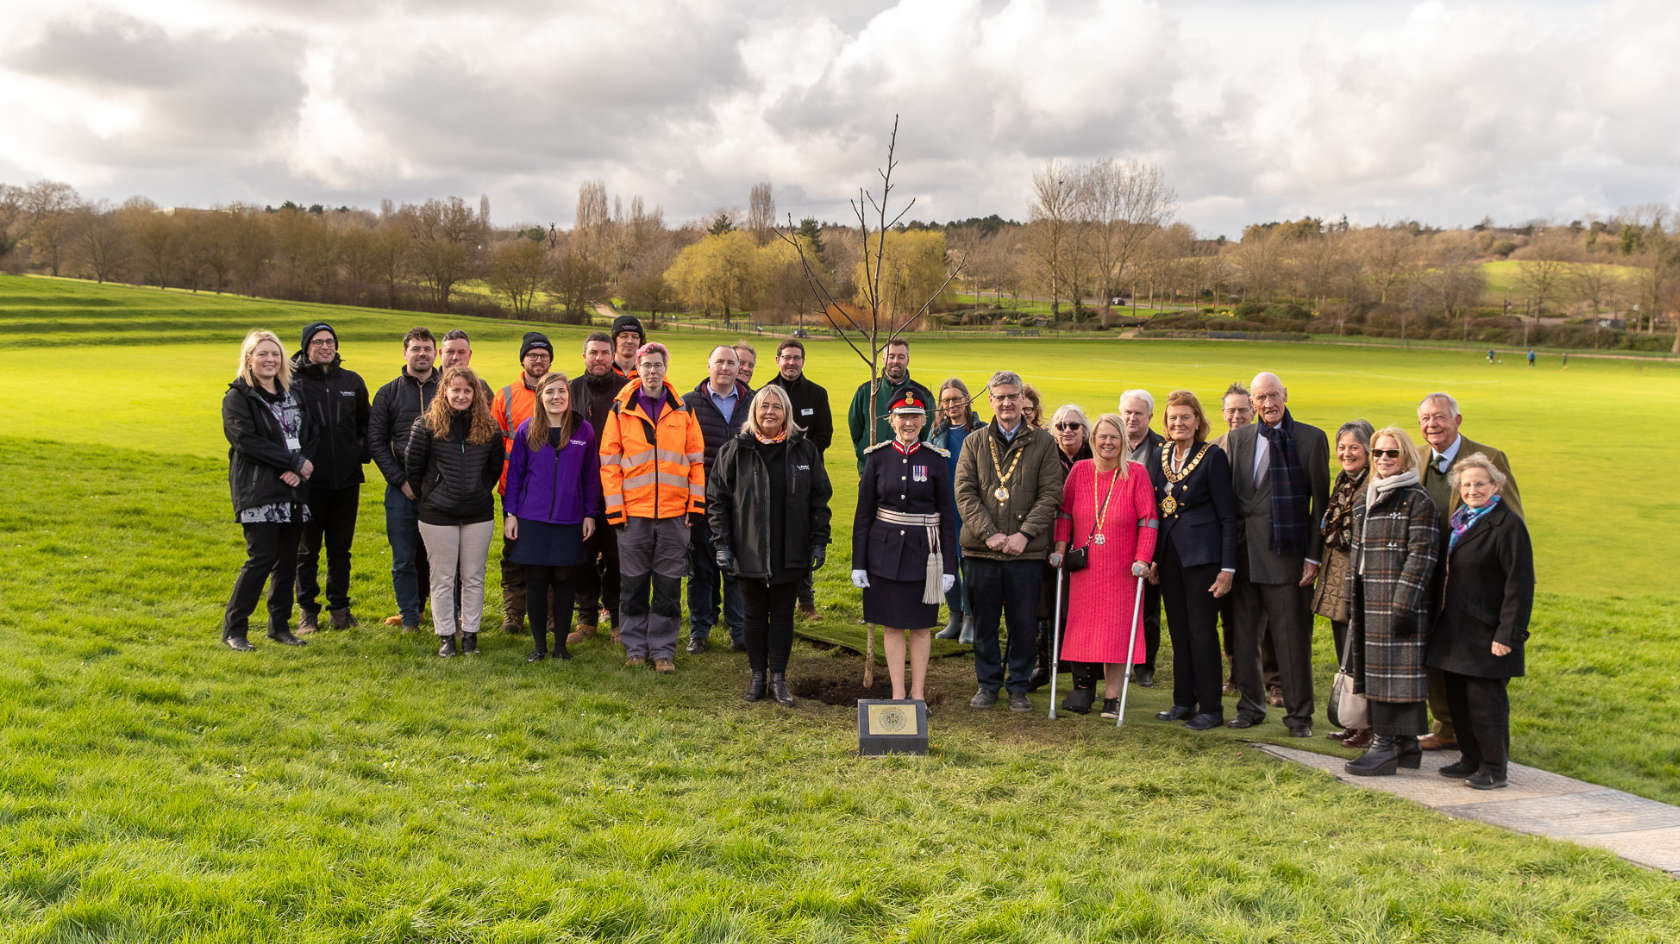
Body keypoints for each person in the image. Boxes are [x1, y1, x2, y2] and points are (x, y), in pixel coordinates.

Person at [1223, 371, 1330, 736]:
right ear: (1251, 403)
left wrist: (1313, 558)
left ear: (1285, 394)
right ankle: (1251, 707)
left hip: (1288, 559)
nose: (1268, 404)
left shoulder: (1311, 439)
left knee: (1291, 643)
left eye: (1273, 396)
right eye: (1260, 398)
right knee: (1244, 638)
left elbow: (1321, 507)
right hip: (1244, 557)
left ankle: (1299, 717)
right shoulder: (1237, 439)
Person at [712, 385, 833, 706]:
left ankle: (778, 677)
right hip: (748, 548)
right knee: (753, 614)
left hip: (789, 549)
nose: (770, 412)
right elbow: (718, 502)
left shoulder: (803, 451)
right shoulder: (735, 451)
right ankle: (757, 676)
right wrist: (723, 544)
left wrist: (819, 541)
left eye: (777, 407)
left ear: (786, 413)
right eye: (764, 406)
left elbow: (819, 499)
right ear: (754, 411)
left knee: (782, 615)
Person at [1416, 391, 1523, 751]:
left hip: (1473, 582)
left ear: (1457, 420)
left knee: (1475, 664)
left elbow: (1511, 524)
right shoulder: (1416, 457)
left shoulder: (1487, 459)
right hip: (1429, 575)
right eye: (1426, 419)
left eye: (1440, 417)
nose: (1433, 425)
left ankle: (1482, 743)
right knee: (1435, 654)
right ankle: (1446, 725)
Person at [954, 370, 1064, 712]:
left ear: (1022, 400)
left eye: (1012, 396)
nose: (1006, 402)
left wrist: (1023, 535)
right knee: (984, 623)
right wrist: (991, 534)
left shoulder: (1044, 443)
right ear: (990, 400)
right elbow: (965, 492)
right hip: (981, 550)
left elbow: (1051, 494)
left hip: (1025, 553)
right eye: (999, 396)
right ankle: (987, 684)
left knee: (1023, 623)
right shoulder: (974, 442)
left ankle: (1018, 685)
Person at [1426, 453, 1534, 790]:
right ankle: (1470, 758)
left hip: (1489, 631)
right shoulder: (1460, 519)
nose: (1472, 490)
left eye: (1480, 484)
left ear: (1495, 486)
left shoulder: (1508, 525)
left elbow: (1520, 584)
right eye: (1467, 484)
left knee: (1486, 704)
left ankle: (1494, 767)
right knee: (1458, 699)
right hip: (1455, 629)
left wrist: (1508, 634)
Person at [599, 342, 705, 674]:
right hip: (633, 516)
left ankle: (663, 651)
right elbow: (609, 464)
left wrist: (695, 506)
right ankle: (634, 648)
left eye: (658, 365)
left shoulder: (683, 409)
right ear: (638, 369)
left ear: (666, 369)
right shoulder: (620, 409)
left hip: (674, 516)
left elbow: (696, 461)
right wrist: (616, 510)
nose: (652, 371)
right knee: (633, 584)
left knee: (668, 586)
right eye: (647, 366)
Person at [1343, 427, 1439, 775]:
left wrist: (1403, 604)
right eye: (1378, 453)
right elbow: (1357, 555)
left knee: (1395, 675)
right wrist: (1350, 599)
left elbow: (1421, 557)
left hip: (1397, 603)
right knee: (1378, 673)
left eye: (1391, 453)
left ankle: (1384, 744)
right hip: (1368, 598)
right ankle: (1406, 746)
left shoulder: (1417, 499)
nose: (1383, 459)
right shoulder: (1366, 497)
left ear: (1406, 457)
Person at [1048, 414, 1158, 719]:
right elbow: (1064, 514)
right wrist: (1059, 547)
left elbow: (1148, 519)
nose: (1107, 442)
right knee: (1085, 630)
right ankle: (1082, 691)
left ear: (1123, 441)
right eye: (1102, 436)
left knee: (1116, 633)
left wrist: (1143, 558)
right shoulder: (1081, 471)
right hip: (1086, 568)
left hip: (1122, 568)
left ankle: (1113, 697)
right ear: (1092, 439)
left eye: (1114, 437)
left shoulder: (1135, 474)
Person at [852, 390, 957, 705]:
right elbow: (863, 515)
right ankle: (898, 695)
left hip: (924, 556)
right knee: (892, 626)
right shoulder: (877, 458)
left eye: (914, 417)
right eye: (902, 416)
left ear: (924, 420)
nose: (908, 423)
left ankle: (918, 696)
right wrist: (859, 562)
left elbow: (947, 517)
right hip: (882, 555)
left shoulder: (935, 460)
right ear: (891, 420)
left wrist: (950, 566)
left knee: (922, 627)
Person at [1145, 392, 1236, 730]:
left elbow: (1228, 516)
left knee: (1202, 632)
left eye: (1185, 417)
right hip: (1169, 557)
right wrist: (1153, 558)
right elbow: (1155, 511)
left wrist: (1228, 568)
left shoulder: (1212, 457)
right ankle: (1183, 701)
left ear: (1198, 420)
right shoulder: (1160, 453)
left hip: (1203, 559)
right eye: (1172, 418)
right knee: (1179, 632)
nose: (1178, 424)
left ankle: (1211, 708)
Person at [221, 329, 315, 651]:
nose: (270, 359)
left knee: (288, 561)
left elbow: (310, 433)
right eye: (262, 353)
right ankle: (235, 630)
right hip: (259, 489)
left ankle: (279, 627)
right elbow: (245, 441)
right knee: (261, 558)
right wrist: (290, 463)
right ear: (249, 359)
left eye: (275, 354)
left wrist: (300, 466)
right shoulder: (238, 396)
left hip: (293, 491)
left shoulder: (293, 393)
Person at [405, 366, 505, 657]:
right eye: (456, 390)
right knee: (442, 578)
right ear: (445, 391)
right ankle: (446, 636)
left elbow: (494, 469)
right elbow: (414, 468)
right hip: (437, 515)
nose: (461, 396)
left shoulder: (489, 429)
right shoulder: (426, 426)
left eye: (467, 390)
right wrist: (432, 495)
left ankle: (471, 634)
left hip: (477, 513)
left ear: (475, 394)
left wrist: (477, 489)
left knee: (473, 576)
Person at [505, 372, 601, 662]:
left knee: (564, 580)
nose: (556, 397)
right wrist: (511, 514)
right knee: (535, 580)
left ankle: (560, 645)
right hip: (532, 518)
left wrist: (590, 514)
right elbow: (516, 476)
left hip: (569, 518)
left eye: (561, 391)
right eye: (549, 392)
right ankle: (539, 646)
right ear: (540, 397)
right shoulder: (527, 430)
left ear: (569, 396)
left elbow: (590, 477)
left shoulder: (583, 431)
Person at [288, 321, 369, 634]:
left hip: (346, 481)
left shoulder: (351, 381)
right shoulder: (292, 382)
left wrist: (357, 452)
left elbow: (366, 423)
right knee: (307, 551)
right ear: (307, 346)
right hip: (308, 482)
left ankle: (340, 609)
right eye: (318, 342)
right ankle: (307, 611)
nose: (325, 347)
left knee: (340, 550)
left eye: (330, 341)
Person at [369, 327, 438, 633]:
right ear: (405, 353)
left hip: (439, 489)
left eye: (427, 348)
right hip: (401, 489)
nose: (422, 353)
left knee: (439, 560)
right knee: (404, 557)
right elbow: (376, 442)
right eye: (416, 348)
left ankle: (444, 615)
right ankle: (410, 617)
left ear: (435, 353)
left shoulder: (447, 388)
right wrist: (400, 480)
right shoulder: (388, 393)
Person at [682, 345, 751, 652]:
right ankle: (699, 631)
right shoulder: (688, 404)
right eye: (719, 362)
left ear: (740, 368)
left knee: (737, 568)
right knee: (700, 569)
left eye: (731, 362)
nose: (725, 367)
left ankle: (740, 631)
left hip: (743, 502)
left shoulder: (754, 402)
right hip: (702, 500)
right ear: (708, 365)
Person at [1314, 420, 1375, 747]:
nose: (1346, 453)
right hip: (1338, 574)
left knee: (1361, 652)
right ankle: (1352, 721)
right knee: (1344, 651)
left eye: (1353, 447)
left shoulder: (1374, 483)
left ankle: (1368, 725)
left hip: (1362, 576)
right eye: (1342, 447)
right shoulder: (1343, 480)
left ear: (1368, 449)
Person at [764, 338, 833, 621]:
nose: (791, 363)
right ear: (777, 360)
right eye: (786, 357)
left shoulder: (817, 393)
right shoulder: (766, 392)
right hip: (772, 477)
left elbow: (824, 435)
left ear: (803, 361)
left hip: (806, 477)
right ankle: (772, 597)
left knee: (803, 535)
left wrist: (801, 460)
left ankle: (806, 602)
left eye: (796, 358)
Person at [568, 332, 628, 645]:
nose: (599, 358)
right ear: (584, 356)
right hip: (580, 490)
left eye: (605, 353)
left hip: (619, 489)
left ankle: (618, 621)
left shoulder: (628, 390)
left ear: (613, 355)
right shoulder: (571, 390)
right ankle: (587, 620)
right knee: (583, 555)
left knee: (617, 557)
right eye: (593, 353)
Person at [492, 332, 554, 636]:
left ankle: (551, 615)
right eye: (533, 355)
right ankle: (514, 614)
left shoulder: (559, 392)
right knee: (514, 554)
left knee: (551, 554)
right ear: (523, 359)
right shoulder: (505, 395)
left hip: (551, 495)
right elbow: (493, 443)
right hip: (513, 492)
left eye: (543, 355)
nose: (538, 360)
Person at [1030, 403, 1094, 691]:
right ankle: (1043, 665)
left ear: (1085, 430)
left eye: (1074, 426)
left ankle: (1082, 671)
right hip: (1048, 538)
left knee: (1078, 608)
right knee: (1044, 604)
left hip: (1085, 542)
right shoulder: (1044, 456)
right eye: (1061, 426)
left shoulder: (1094, 457)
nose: (1067, 430)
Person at [1213, 381, 1263, 693]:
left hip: (1257, 544)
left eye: (1242, 410)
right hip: (1223, 544)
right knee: (1228, 615)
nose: (1236, 416)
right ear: (1223, 413)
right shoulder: (1215, 447)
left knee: (1261, 618)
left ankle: (1271, 680)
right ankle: (1234, 670)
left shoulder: (1264, 445)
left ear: (1253, 411)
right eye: (1231, 410)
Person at [931, 378, 986, 642]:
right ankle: (954, 616)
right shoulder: (936, 434)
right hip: (944, 508)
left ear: (967, 399)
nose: (951, 405)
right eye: (946, 400)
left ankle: (970, 617)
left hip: (972, 508)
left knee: (969, 564)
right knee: (946, 564)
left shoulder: (982, 430)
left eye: (956, 399)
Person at [1119, 389, 1166, 687]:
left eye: (1138, 413)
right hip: (1115, 537)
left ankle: (1144, 665)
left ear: (1149, 416)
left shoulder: (1163, 448)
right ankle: (1117, 657)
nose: (1132, 418)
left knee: (1148, 606)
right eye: (1127, 413)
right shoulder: (1109, 443)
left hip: (1150, 537)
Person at [848, 337, 934, 471]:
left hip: (909, 473)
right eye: (891, 356)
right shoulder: (865, 391)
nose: (895, 361)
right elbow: (856, 430)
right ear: (883, 359)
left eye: (901, 357)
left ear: (908, 360)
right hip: (871, 471)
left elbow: (926, 435)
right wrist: (863, 454)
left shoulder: (923, 395)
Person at [610, 315, 645, 380]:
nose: (630, 341)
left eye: (635, 337)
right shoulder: (604, 372)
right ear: (614, 340)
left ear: (640, 341)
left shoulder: (649, 373)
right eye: (624, 336)